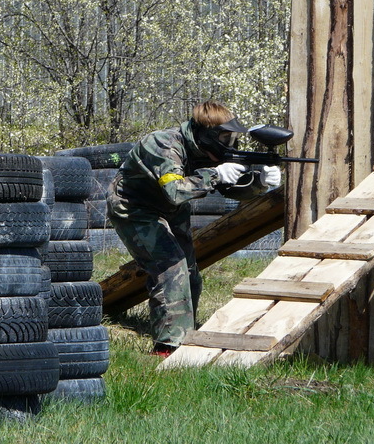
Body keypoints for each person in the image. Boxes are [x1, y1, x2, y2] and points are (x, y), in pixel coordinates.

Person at [106, 100, 282, 358]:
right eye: (224, 137)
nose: (229, 144)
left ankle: (185, 337)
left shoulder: (208, 148)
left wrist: (259, 183)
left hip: (170, 210)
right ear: (206, 134)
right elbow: (175, 190)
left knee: (190, 275)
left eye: (231, 138)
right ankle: (167, 348)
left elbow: (230, 190)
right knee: (170, 267)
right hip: (134, 208)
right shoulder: (164, 144)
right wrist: (216, 174)